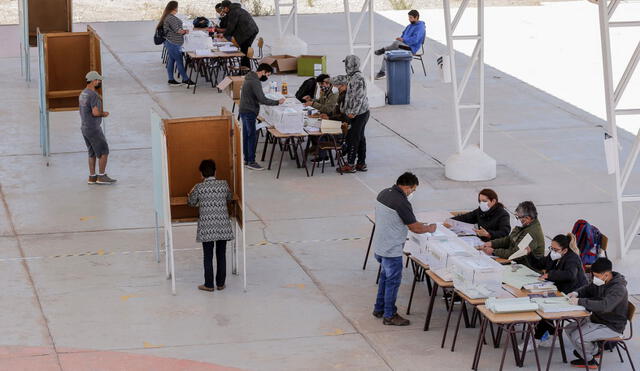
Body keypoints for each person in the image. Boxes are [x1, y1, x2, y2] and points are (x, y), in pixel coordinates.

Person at [372, 172, 437, 326]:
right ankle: (389, 315)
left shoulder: (383, 194)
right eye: (413, 190)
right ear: (407, 187)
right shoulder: (401, 202)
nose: (412, 193)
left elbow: (400, 219)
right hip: (392, 250)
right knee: (392, 282)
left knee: (384, 278)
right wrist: (429, 228)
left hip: (380, 247)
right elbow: (415, 228)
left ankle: (379, 308)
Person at [518, 233, 588, 351]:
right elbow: (540, 264)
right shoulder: (554, 255)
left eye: (556, 249)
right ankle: (551, 336)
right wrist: (529, 254)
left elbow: (570, 275)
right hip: (558, 289)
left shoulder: (572, 258)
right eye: (551, 248)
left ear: (565, 250)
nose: (552, 251)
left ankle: (536, 339)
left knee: (547, 310)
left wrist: (549, 275)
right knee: (538, 303)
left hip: (573, 294)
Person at [566, 258, 628, 368]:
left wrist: (580, 301)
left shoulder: (618, 288)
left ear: (607, 274)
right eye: (593, 276)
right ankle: (589, 351)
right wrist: (576, 293)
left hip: (611, 325)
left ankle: (590, 358)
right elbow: (588, 289)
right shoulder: (602, 281)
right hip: (598, 318)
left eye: (597, 276)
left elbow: (605, 306)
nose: (594, 279)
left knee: (578, 337)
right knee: (569, 329)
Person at [188, 159, 234, 292]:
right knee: (221, 254)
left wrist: (190, 193)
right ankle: (220, 283)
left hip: (207, 228)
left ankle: (208, 284)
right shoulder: (223, 184)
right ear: (215, 171)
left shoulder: (199, 187)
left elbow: (190, 202)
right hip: (222, 226)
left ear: (201, 174)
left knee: (208, 256)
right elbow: (229, 198)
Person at [239, 63, 285, 170]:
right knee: (251, 136)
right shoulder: (255, 82)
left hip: (244, 109)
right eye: (268, 75)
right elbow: (262, 99)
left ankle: (247, 159)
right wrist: (277, 102)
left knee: (247, 135)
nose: (267, 77)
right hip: (249, 111)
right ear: (263, 71)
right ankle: (251, 161)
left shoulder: (250, 77)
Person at [479, 201, 545, 267]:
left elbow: (516, 254)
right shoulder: (524, 224)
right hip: (517, 261)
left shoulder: (531, 233)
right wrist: (492, 243)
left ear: (528, 218)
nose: (516, 219)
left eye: (518, 217)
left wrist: (494, 251)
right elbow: (509, 239)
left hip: (528, 266)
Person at [79, 71, 116, 185]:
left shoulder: (83, 93)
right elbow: (95, 112)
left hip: (84, 127)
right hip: (93, 128)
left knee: (92, 153)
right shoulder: (93, 94)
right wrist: (103, 113)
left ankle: (92, 177)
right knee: (104, 151)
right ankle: (101, 176)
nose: (99, 82)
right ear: (93, 81)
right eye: (98, 80)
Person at [337, 55, 369, 174]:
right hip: (358, 113)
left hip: (359, 114)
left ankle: (351, 165)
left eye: (346, 64)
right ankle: (361, 163)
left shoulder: (358, 78)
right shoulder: (352, 77)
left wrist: (353, 113)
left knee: (354, 138)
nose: (345, 66)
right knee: (360, 137)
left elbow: (359, 98)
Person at [374, 9, 426, 80]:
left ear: (416, 17)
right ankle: (382, 72)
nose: (409, 19)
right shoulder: (409, 26)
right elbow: (403, 35)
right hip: (403, 45)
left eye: (411, 17)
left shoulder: (420, 27)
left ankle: (383, 50)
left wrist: (403, 40)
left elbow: (415, 40)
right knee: (389, 51)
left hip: (412, 48)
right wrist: (401, 39)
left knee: (396, 44)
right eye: (409, 17)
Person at [158, 1, 195, 86]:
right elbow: (178, 31)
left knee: (171, 60)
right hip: (173, 42)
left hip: (170, 41)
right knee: (179, 61)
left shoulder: (167, 16)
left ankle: (171, 80)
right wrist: (187, 31)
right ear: (174, 8)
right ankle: (185, 79)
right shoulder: (171, 18)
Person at [220, 0, 259, 68]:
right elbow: (226, 25)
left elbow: (231, 27)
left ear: (226, 8)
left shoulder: (233, 12)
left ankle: (245, 71)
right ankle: (245, 70)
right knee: (244, 50)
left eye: (223, 8)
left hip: (248, 32)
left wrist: (224, 35)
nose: (222, 10)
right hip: (252, 30)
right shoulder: (235, 10)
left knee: (244, 51)